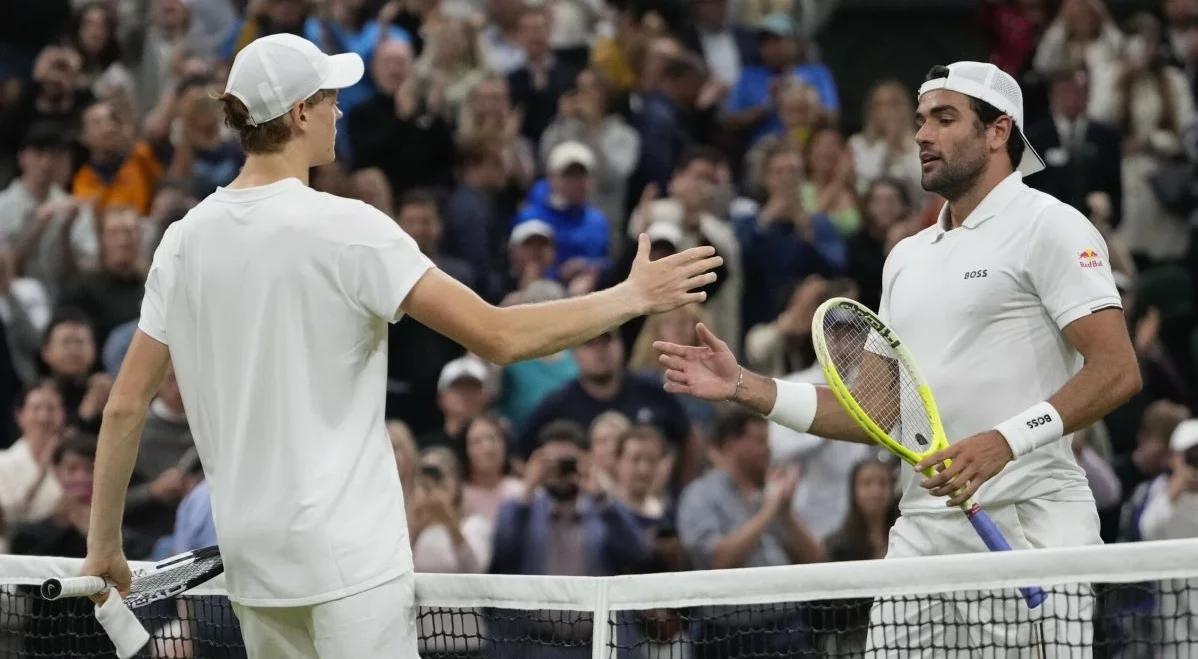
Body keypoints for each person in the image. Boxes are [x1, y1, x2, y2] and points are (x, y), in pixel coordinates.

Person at [79, 33, 720, 659]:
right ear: (299, 113)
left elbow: (124, 406)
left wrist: (103, 545)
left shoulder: (183, 241)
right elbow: (498, 336)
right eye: (330, 99)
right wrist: (631, 297)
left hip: (253, 563)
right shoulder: (351, 229)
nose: (339, 110)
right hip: (349, 559)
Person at [655, 61, 1142, 654]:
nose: (921, 135)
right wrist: (747, 387)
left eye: (944, 118)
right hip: (921, 535)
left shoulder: (1053, 226)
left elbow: (1117, 370)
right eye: (919, 121)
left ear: (997, 132)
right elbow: (883, 413)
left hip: (1033, 525)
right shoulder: (906, 257)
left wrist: (1004, 441)